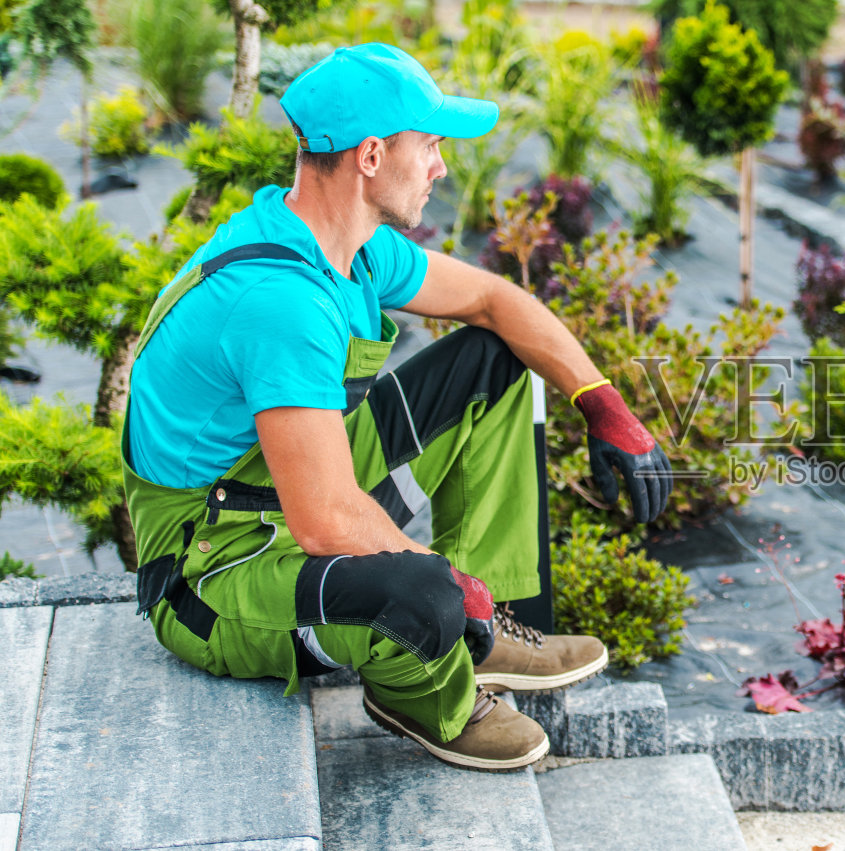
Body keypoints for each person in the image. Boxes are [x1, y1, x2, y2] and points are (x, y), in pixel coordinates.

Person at [122, 43, 672, 772]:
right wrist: (441, 580)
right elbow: (324, 520)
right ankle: (429, 688)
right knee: (415, 592)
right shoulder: (279, 300)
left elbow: (493, 299)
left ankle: (493, 624)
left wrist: (602, 402)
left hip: (282, 494)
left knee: (495, 360)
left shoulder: (349, 250)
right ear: (372, 156)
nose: (442, 165)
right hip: (212, 571)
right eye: (432, 143)